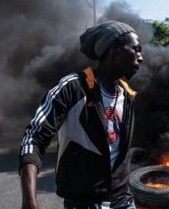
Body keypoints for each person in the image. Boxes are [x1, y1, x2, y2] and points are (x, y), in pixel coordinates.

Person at [19, 20, 143, 209]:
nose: (140, 57)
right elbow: (33, 139)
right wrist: (30, 200)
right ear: (114, 51)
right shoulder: (73, 88)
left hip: (124, 201)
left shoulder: (128, 95)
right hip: (84, 204)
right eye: (136, 49)